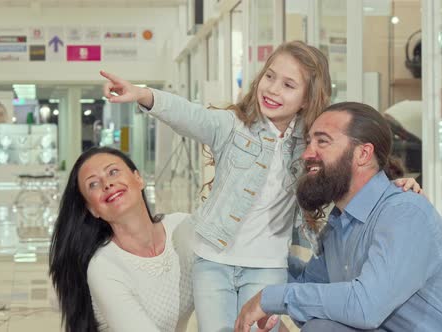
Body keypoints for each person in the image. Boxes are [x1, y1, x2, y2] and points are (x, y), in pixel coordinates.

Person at [101, 41, 421, 332]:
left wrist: (394, 185)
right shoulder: (233, 127)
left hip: (267, 267)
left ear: (306, 99)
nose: (273, 89)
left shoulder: (309, 143)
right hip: (214, 260)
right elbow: (190, 115)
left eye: (288, 85)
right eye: (269, 77)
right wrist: (143, 94)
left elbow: (350, 164)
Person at [235, 102, 442, 332]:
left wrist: (272, 298)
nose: (307, 154)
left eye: (322, 142)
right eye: (309, 142)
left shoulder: (404, 212)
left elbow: (366, 306)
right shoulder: (339, 223)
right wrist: (262, 255)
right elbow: (313, 289)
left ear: (363, 155)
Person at [49, 147, 195, 332]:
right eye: (93, 184)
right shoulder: (104, 267)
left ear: (138, 179)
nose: (107, 184)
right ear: (92, 209)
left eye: (113, 172)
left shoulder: (182, 227)